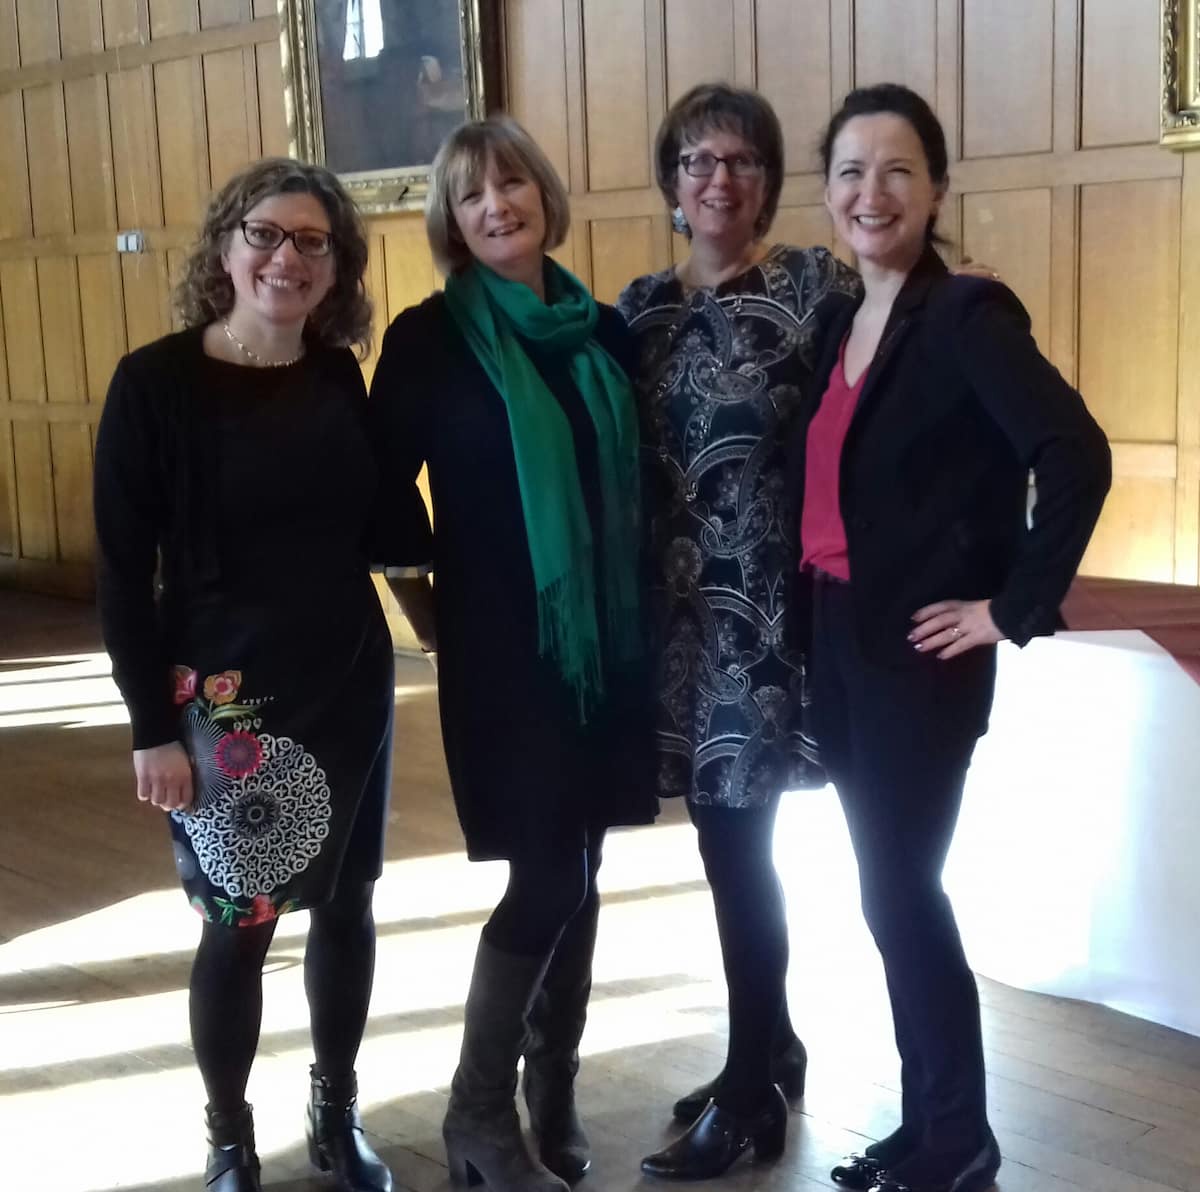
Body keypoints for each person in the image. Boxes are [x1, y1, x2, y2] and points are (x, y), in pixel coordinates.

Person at [793, 84, 1111, 1192]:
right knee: (884, 894)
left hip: (920, 658)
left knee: (902, 892)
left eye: (897, 170)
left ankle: (959, 1137)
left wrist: (1007, 608)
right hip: (838, 639)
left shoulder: (967, 313)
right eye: (850, 171)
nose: (871, 192)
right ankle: (928, 1119)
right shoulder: (842, 320)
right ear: (827, 191)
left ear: (936, 189)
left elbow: (1074, 453)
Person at [367, 116, 657, 1192]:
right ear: (452, 219)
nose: (497, 204)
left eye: (513, 182)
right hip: (502, 654)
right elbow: (379, 491)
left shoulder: (604, 331)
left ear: (545, 194)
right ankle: (478, 1115)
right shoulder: (428, 340)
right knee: (547, 873)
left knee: (584, 866)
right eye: (472, 193)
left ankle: (553, 1091)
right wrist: (431, 612)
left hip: (606, 647)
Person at [94, 158, 394, 1192]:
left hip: (348, 681)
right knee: (239, 925)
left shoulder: (337, 375)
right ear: (226, 249)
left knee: (349, 903)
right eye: (265, 233)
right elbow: (122, 573)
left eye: (313, 241)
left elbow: (376, 526)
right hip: (228, 706)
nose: (286, 257)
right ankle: (229, 1138)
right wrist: (149, 727)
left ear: (336, 268)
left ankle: (335, 1113)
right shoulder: (155, 383)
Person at [617, 83, 860, 1180]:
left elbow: (902, 349)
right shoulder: (639, 313)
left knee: (737, 852)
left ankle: (750, 1094)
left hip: (769, 618)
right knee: (728, 846)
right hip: (677, 619)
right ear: (672, 181)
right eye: (699, 160)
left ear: (768, 181)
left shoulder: (814, 289)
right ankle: (772, 1045)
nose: (721, 179)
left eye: (744, 161)